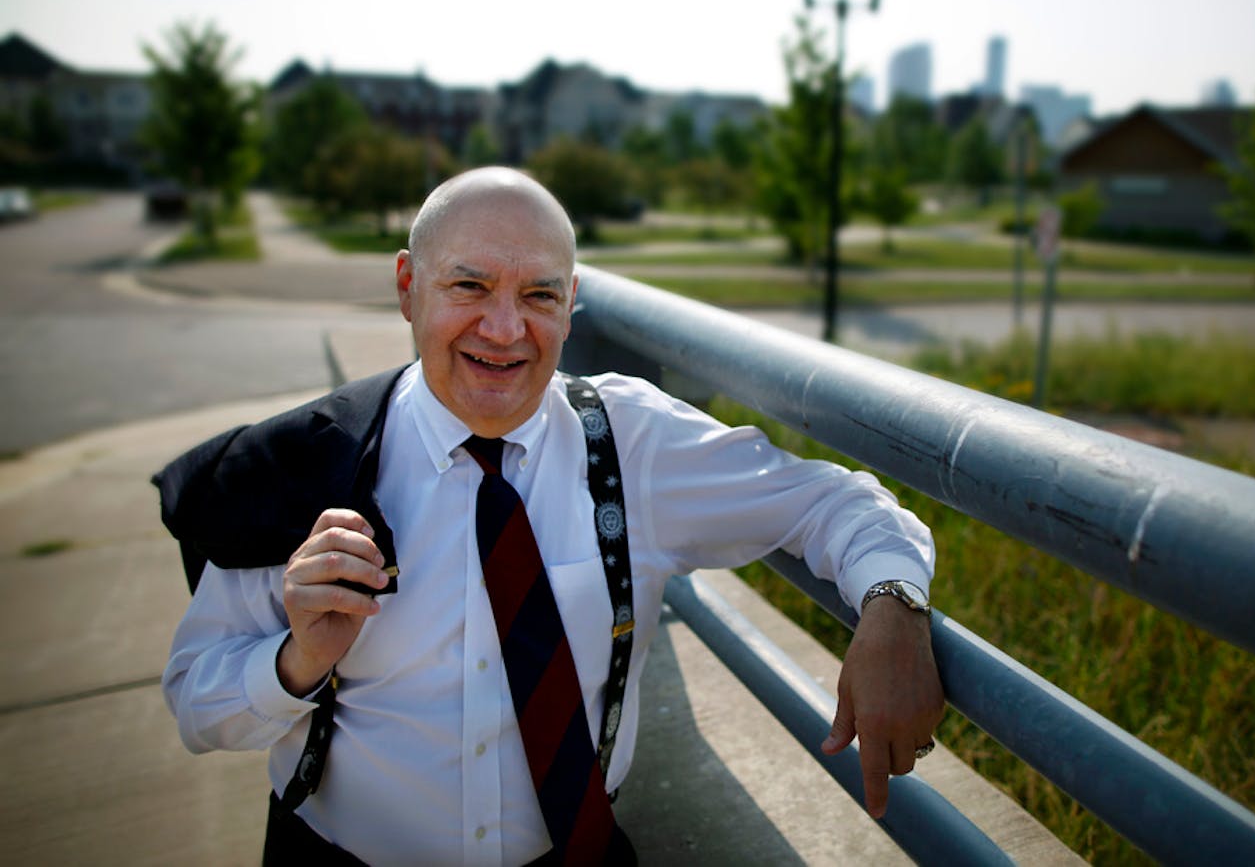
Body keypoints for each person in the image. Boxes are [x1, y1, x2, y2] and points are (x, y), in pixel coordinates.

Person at [159, 167, 944, 865]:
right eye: (468, 287)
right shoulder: (306, 466)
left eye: (537, 294)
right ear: (407, 288)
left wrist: (893, 606)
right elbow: (197, 703)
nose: (505, 330)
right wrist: (295, 662)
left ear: (571, 306)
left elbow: (835, 502)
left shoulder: (631, 445)